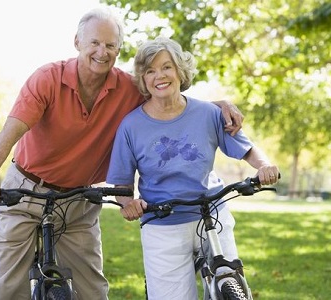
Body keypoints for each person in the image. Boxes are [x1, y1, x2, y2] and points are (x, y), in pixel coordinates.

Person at [0, 7, 244, 300]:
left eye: (110, 45)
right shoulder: (47, 79)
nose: (102, 52)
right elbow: (10, 132)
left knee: (92, 289)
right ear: (77, 42)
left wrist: (214, 105)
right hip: (26, 190)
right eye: (94, 43)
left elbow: (168, 94)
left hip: (79, 199)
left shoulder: (128, 88)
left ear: (118, 49)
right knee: (8, 287)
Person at [106, 36, 280, 300]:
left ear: (180, 71)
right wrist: (127, 203)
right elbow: (121, 183)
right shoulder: (131, 126)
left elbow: (247, 149)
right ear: (143, 80)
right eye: (150, 71)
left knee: (231, 285)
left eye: (166, 67)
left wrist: (265, 166)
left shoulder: (209, 113)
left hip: (212, 213)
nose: (159, 76)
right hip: (162, 222)